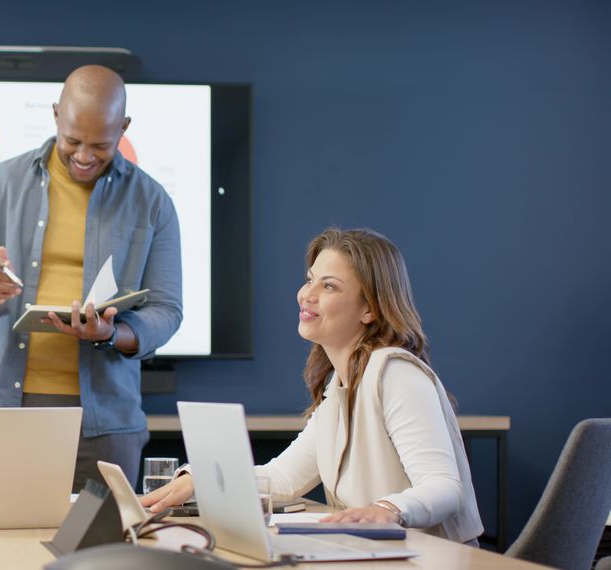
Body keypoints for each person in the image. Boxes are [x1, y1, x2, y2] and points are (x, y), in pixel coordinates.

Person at [142, 228, 484, 545]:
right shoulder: (340, 384)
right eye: (310, 280)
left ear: (369, 309)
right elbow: (284, 477)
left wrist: (387, 509)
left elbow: (444, 487)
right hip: (375, 554)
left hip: (432, 557)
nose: (306, 295)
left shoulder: (396, 373)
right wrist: (199, 480)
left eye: (329, 286)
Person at [0, 65, 183, 491]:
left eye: (100, 145)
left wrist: (112, 333)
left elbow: (167, 310)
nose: (84, 156)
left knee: (100, 537)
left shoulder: (152, 201)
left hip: (103, 423)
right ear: (56, 115)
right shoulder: (1, 183)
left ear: (123, 127)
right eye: (73, 141)